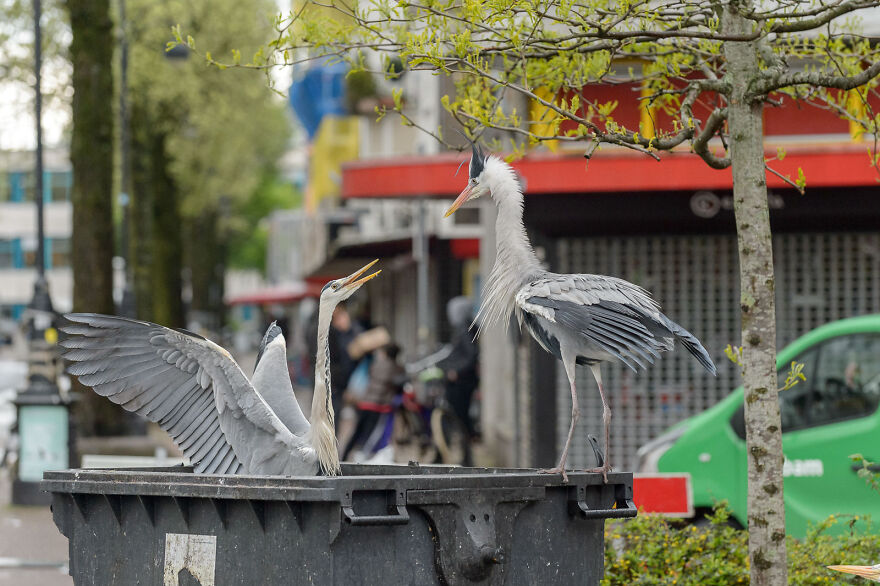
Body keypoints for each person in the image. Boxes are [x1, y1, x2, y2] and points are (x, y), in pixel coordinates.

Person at [341, 343, 405, 460]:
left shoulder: (375, 365)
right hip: (378, 406)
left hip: (365, 403)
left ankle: (344, 455)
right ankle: (361, 456)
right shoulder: (397, 368)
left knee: (357, 432)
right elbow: (399, 384)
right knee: (372, 434)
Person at [437, 296, 480, 439]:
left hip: (462, 381)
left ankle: (465, 445)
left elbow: (471, 354)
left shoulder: (465, 328)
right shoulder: (466, 326)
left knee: (459, 414)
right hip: (463, 379)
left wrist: (456, 371)